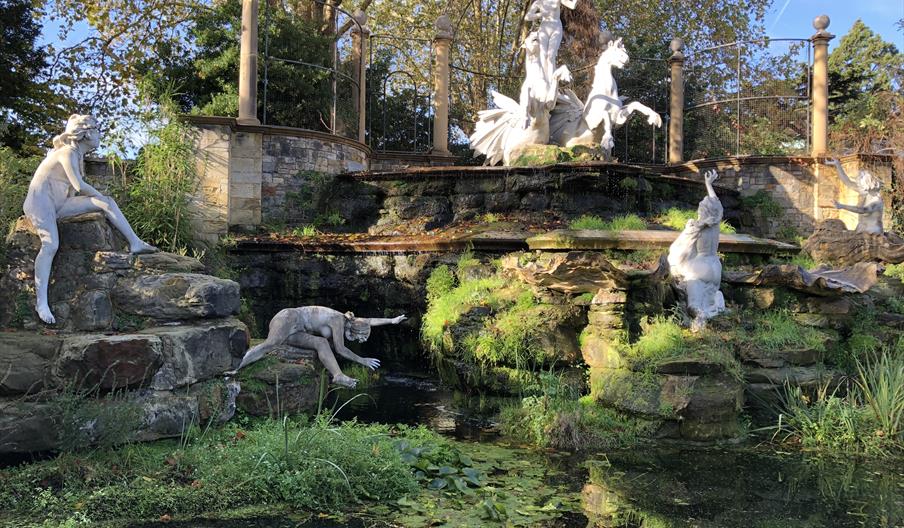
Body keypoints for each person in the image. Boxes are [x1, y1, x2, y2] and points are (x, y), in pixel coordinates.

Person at [24, 114, 157, 324]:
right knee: (50, 245)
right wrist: (97, 196)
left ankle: (135, 242)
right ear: (85, 134)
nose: (99, 134)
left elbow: (71, 191)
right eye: (96, 130)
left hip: (58, 204)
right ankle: (41, 302)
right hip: (40, 203)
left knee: (107, 203)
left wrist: (99, 199)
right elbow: (78, 186)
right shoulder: (67, 152)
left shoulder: (77, 156)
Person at [233, 306, 407, 388]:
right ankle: (236, 367)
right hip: (288, 317)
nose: (356, 340)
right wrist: (362, 360)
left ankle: (338, 375)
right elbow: (340, 349)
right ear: (355, 330)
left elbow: (369, 321)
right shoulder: (339, 320)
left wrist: (392, 321)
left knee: (321, 342)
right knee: (270, 345)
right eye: (358, 337)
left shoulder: (351, 321)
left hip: (298, 331)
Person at [524, 0, 577, 85]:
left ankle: (551, 83)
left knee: (551, 56)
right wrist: (541, 14)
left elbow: (572, 5)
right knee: (542, 55)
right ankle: (542, 81)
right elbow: (527, 17)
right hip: (544, 28)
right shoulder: (539, 2)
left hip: (556, 27)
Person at [826, 157, 884, 234]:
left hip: (873, 232)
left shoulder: (876, 200)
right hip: (862, 229)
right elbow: (847, 182)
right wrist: (837, 165)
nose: (858, 187)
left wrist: (842, 206)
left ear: (867, 185)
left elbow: (862, 210)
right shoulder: (866, 192)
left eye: (860, 184)